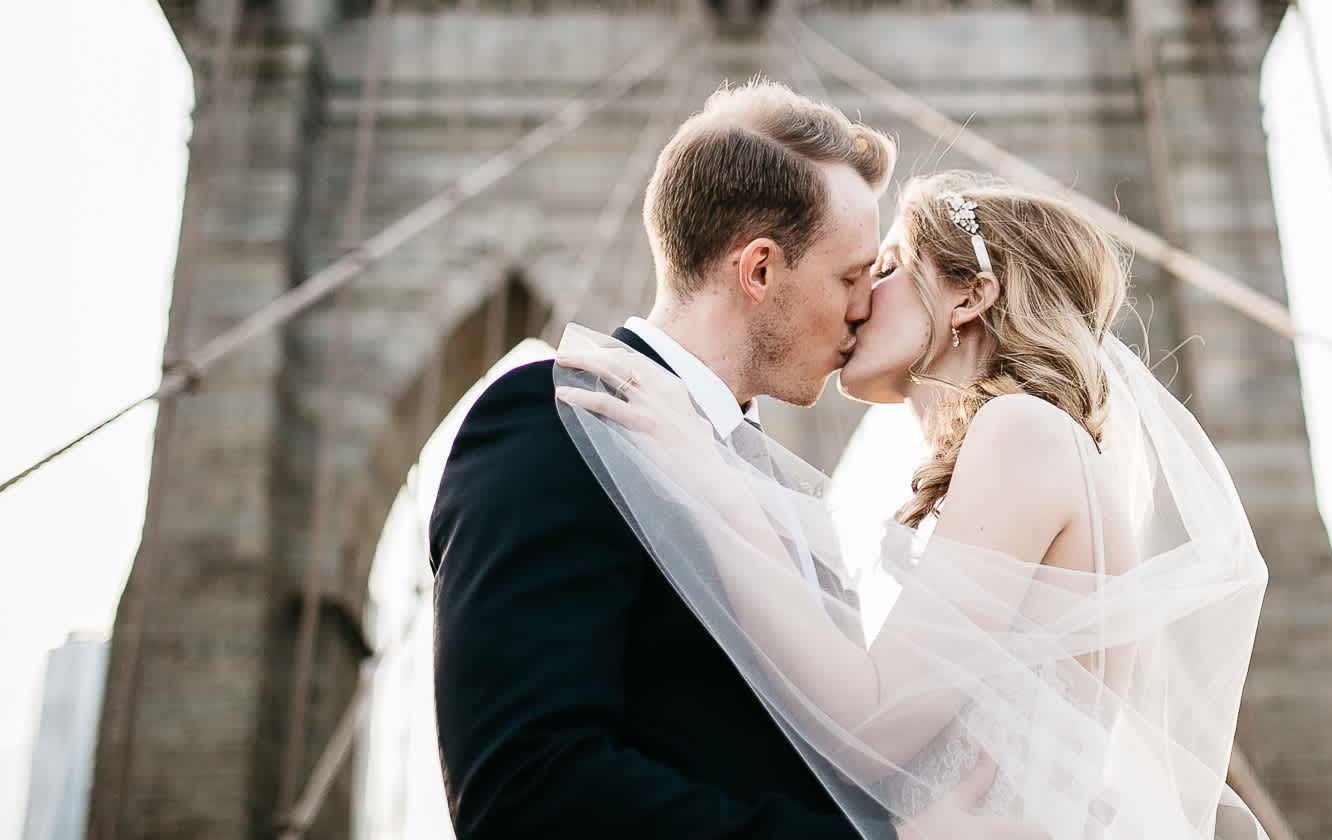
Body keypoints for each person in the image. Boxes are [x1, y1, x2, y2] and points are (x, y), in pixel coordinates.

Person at [556, 172, 1271, 838]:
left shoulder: (1021, 433)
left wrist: (710, 477)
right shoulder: (1035, 449)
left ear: (970, 296)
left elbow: (871, 727)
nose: (860, 295)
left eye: (891, 267)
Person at [430, 83, 1032, 838]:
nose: (864, 306)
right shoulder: (559, 419)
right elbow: (527, 790)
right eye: (851, 277)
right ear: (759, 271)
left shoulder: (768, 482)